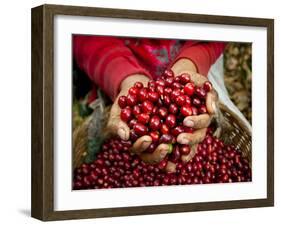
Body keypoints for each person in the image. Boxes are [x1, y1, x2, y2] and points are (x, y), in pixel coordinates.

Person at [73, 36, 227, 165]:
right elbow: (84, 35)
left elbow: (220, 24)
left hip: (195, 58)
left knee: (212, 112)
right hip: (113, 68)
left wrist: (192, 61)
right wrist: (124, 77)